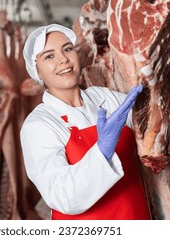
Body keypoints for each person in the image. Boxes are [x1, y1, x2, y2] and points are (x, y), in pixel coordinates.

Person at [20, 24, 151, 220]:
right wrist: (101, 152)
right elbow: (62, 196)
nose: (63, 59)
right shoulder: (39, 125)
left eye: (67, 49)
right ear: (37, 71)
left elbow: (154, 129)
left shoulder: (105, 97)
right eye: (49, 56)